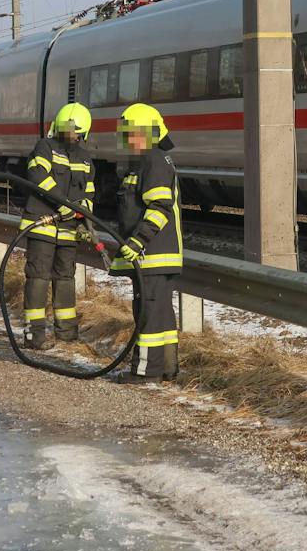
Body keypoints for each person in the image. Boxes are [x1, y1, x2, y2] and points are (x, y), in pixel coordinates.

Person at [109, 103, 183, 382]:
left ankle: (145, 372)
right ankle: (166, 367)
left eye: (130, 132)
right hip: (155, 254)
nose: (126, 139)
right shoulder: (147, 161)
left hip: (152, 254)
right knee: (160, 312)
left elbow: (160, 207)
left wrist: (139, 240)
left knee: (149, 313)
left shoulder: (153, 161)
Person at [18, 102, 95, 349]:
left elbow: (90, 193)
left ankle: (67, 334)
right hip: (42, 225)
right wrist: (64, 207)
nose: (72, 136)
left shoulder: (85, 159)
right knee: (38, 277)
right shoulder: (45, 148)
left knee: (65, 278)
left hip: (69, 229)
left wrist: (85, 219)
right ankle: (34, 335)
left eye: (77, 132)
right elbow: (38, 177)